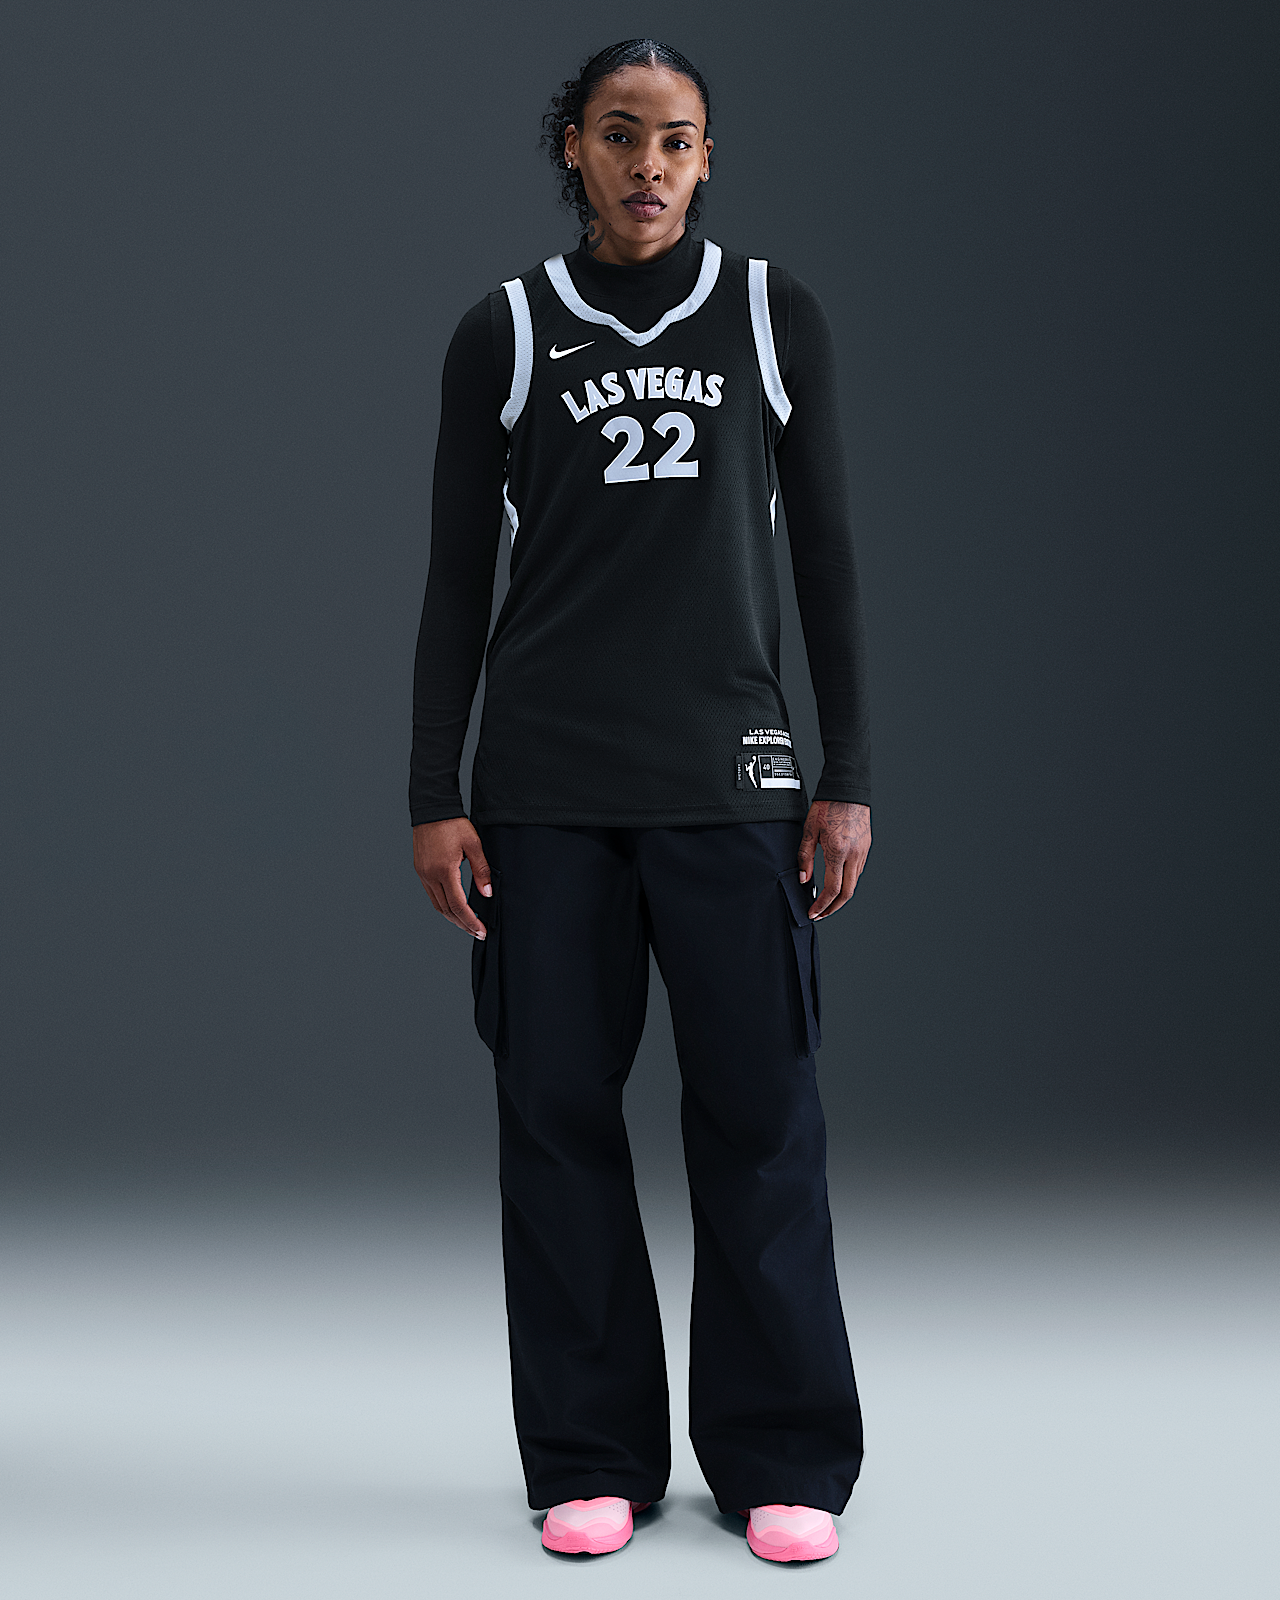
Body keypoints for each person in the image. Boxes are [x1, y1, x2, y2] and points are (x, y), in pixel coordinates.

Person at [410, 38, 871, 1565]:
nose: (650, 166)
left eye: (678, 140)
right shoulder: (505, 331)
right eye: (621, 136)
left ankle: (781, 1455)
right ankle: (590, 1454)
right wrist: (434, 788)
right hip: (546, 791)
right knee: (554, 1119)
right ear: (575, 150)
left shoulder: (770, 313)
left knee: (763, 1117)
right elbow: (454, 583)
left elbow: (826, 559)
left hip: (732, 783)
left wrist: (847, 775)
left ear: (708, 158)